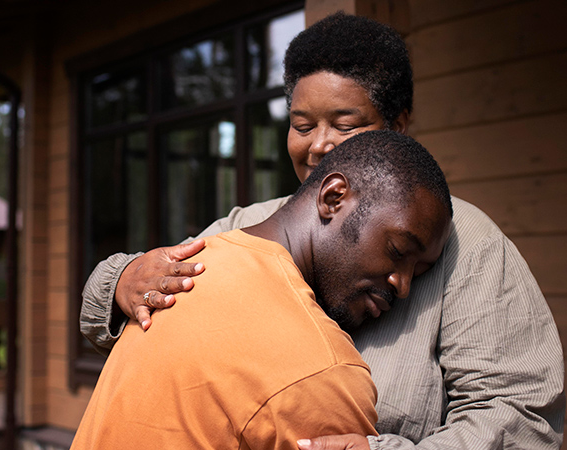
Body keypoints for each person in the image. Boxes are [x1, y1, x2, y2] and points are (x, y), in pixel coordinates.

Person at [80, 12, 565, 450]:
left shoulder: (468, 244)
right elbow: (164, 332)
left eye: (345, 124)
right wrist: (124, 282)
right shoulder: (245, 228)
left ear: (397, 127)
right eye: (302, 125)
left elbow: (521, 414)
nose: (320, 146)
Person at [72, 131, 453, 449]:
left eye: (419, 271)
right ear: (333, 197)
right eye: (398, 251)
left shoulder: (194, 271)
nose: (403, 286)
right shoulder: (322, 372)